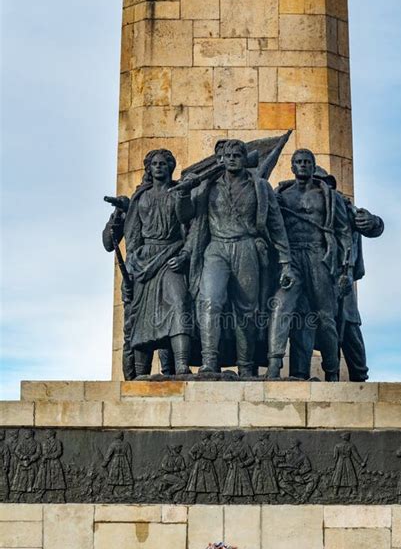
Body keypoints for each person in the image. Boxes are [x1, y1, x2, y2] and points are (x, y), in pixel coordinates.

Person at [183, 140, 293, 376]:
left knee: (247, 311)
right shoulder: (207, 186)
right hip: (216, 248)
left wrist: (285, 262)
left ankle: (246, 365)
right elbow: (186, 215)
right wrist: (184, 192)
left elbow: (276, 225)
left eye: (236, 155)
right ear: (220, 160)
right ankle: (209, 361)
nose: (231, 159)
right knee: (210, 302)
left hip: (246, 247)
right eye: (227, 155)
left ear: (245, 159)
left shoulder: (260, 187)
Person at [266, 149, 352, 381]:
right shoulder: (282, 196)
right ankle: (275, 368)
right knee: (281, 309)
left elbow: (344, 234)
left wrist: (347, 270)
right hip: (291, 258)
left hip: (318, 257)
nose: (303, 166)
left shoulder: (329, 197)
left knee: (325, 318)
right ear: (292, 167)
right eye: (298, 162)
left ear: (313, 167)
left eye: (307, 162)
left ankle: (332, 372)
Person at [120, 149, 196, 376]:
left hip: (170, 253)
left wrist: (184, 193)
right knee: (143, 316)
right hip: (144, 261)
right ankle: (142, 370)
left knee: (179, 302)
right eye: (155, 163)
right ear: (149, 168)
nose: (159, 167)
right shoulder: (140, 198)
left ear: (170, 167)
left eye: (164, 163)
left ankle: (182, 364)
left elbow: (187, 220)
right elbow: (133, 234)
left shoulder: (177, 192)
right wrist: (132, 265)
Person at [341, 197, 384, 381]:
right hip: (306, 272)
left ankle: (359, 374)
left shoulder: (343, 206)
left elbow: (373, 226)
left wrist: (374, 221)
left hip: (342, 272)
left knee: (349, 322)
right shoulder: (290, 197)